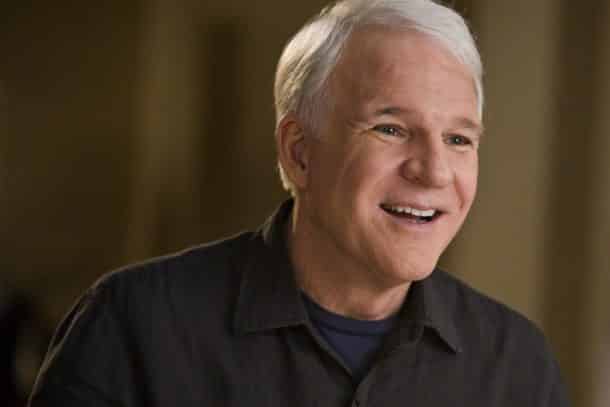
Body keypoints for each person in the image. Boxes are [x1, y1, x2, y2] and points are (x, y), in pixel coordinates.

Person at [28, 0, 570, 405]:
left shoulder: (517, 362)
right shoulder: (134, 324)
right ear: (299, 153)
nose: (433, 171)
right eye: (390, 128)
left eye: (458, 139)